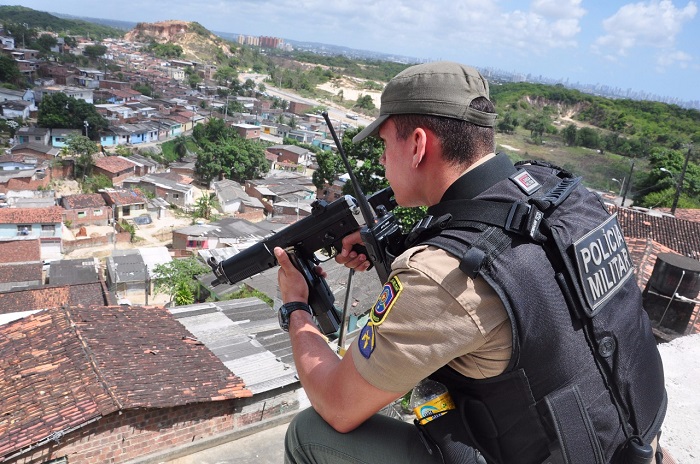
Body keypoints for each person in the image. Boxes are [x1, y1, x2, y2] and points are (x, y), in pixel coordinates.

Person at [273, 61, 666, 464]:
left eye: (386, 144)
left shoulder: (446, 273)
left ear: (418, 145)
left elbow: (338, 404)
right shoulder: (563, 196)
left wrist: (297, 306)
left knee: (308, 433)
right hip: (631, 438)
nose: (383, 160)